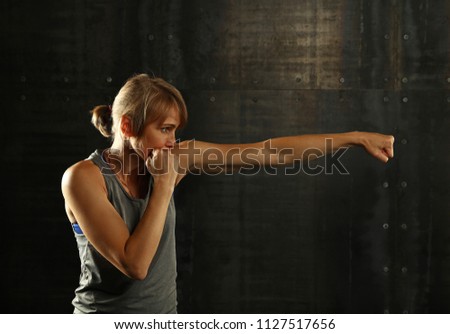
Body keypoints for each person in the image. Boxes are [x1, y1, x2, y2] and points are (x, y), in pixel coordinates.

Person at [61, 73, 394, 314]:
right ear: (127, 126)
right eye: (165, 129)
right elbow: (135, 265)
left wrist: (354, 137)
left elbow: (268, 153)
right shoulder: (83, 179)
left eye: (175, 131)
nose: (172, 142)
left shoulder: (171, 159)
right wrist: (164, 185)